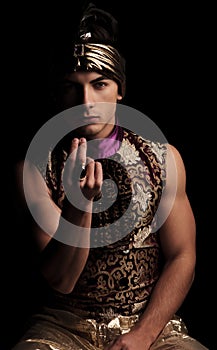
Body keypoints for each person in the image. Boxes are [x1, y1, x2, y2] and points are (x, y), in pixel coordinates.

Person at [12, 3, 208, 349]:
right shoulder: (34, 169)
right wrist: (80, 203)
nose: (86, 100)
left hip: (150, 324)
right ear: (60, 94)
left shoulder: (163, 159)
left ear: (120, 89)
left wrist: (143, 334)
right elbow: (61, 279)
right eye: (73, 87)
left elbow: (183, 256)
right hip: (64, 326)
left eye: (99, 84)